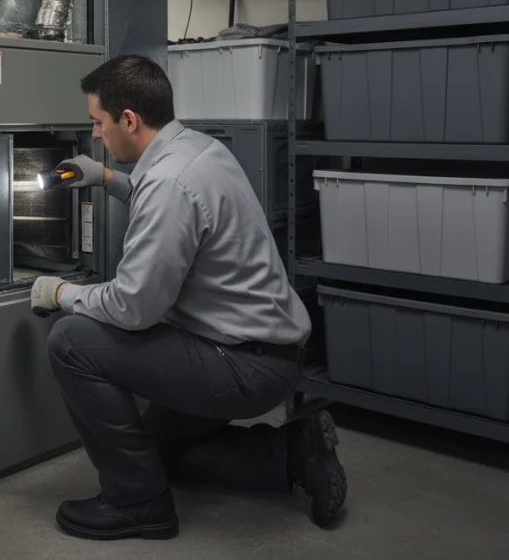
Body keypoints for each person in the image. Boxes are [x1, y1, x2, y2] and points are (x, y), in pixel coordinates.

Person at [30, 54, 346, 541]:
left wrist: (63, 291)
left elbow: (132, 308)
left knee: (71, 339)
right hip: (271, 351)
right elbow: (171, 200)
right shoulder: (196, 148)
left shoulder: (169, 184)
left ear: (129, 120)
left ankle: (137, 504)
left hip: (243, 363)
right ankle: (293, 452)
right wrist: (110, 179)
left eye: (98, 122)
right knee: (152, 452)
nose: (96, 134)